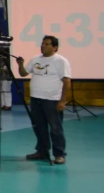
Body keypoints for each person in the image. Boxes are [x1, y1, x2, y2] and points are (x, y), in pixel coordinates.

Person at [16, 35, 71, 164]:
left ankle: (59, 154)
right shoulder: (35, 59)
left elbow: (67, 82)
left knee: (55, 128)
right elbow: (24, 73)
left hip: (52, 100)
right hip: (36, 100)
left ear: (55, 47)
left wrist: (62, 101)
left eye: (47, 44)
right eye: (42, 44)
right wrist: (20, 64)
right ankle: (42, 151)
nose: (43, 46)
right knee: (39, 127)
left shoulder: (60, 61)